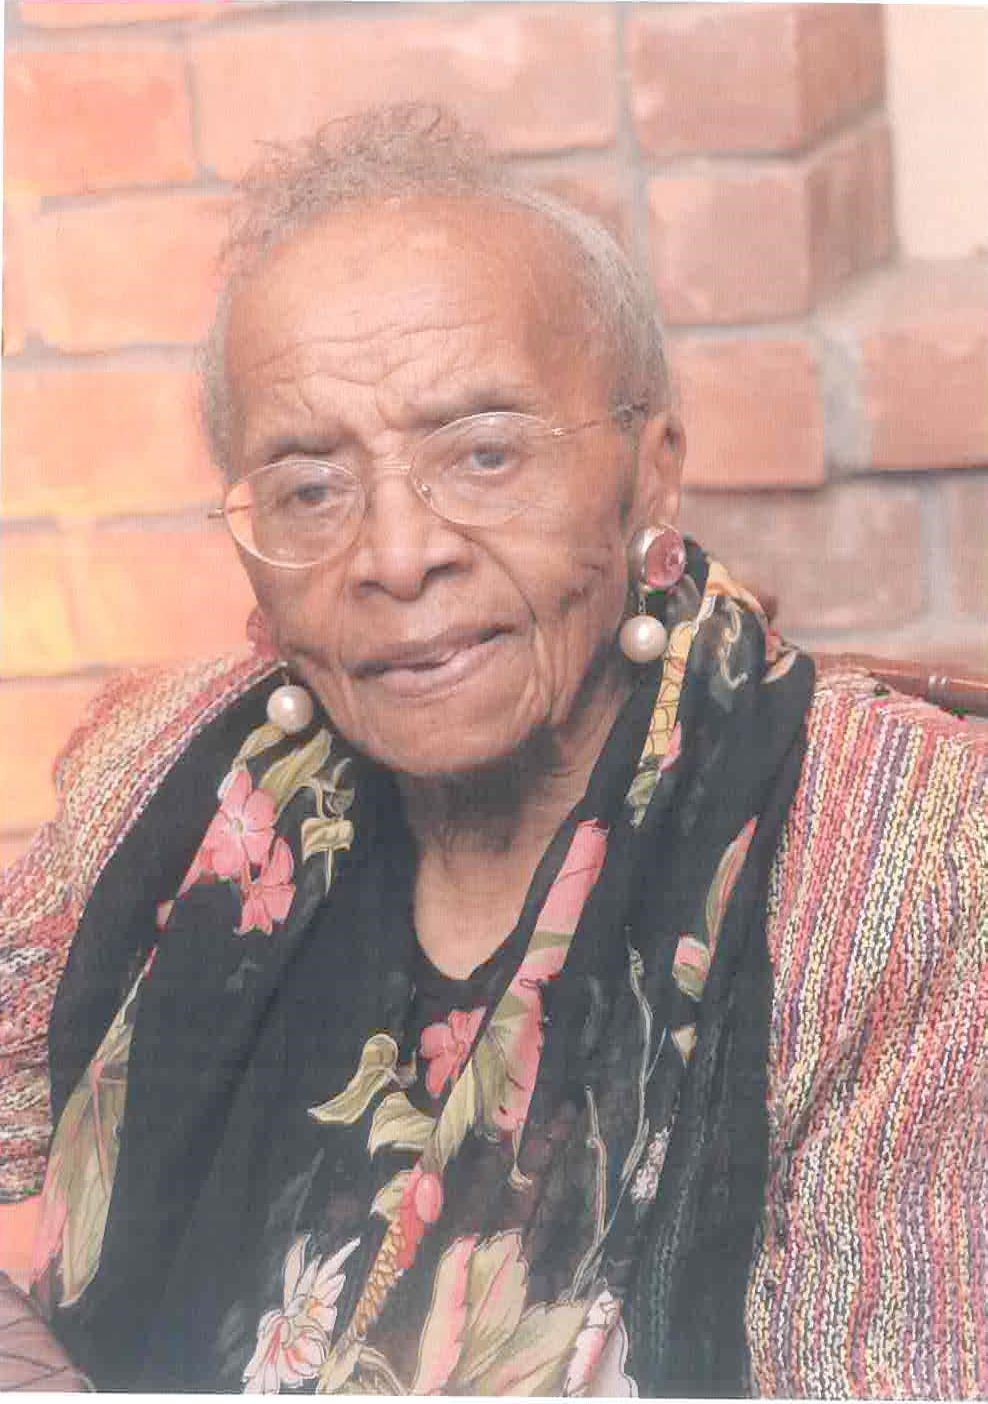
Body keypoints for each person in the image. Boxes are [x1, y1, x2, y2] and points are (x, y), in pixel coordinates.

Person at [0, 105, 985, 1396]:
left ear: (650, 473)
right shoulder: (162, 771)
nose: (398, 554)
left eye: (483, 454)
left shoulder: (902, 852)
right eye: (310, 486)